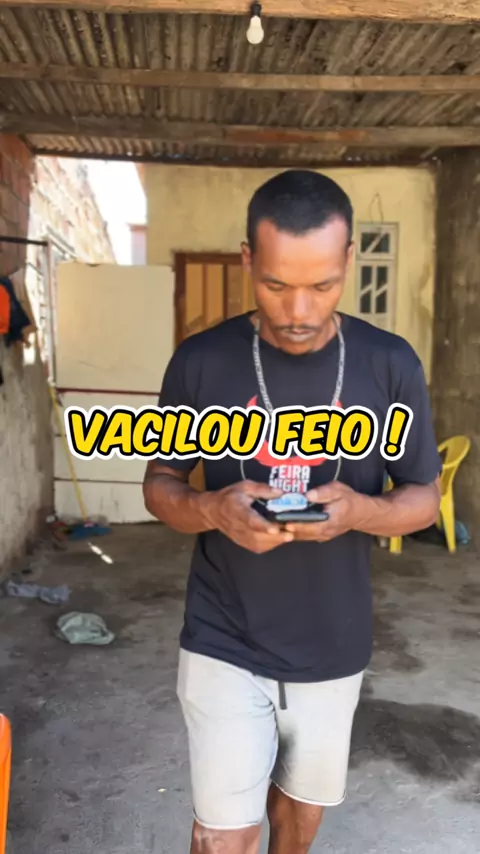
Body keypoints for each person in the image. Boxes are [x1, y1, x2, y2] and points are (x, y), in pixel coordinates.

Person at [143, 170, 441, 854]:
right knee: (222, 835)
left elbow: (422, 498)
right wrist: (211, 508)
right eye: (276, 285)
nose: (298, 311)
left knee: (297, 824)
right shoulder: (201, 361)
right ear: (248, 259)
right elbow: (160, 486)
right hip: (223, 634)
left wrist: (359, 512)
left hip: (333, 640)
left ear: (349, 262)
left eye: (323, 285)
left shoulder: (390, 364)